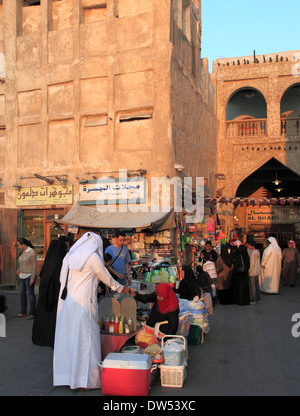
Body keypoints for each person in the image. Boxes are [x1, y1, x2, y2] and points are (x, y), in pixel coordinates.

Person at [53, 232, 129, 390]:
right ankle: (87, 380)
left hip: (67, 303)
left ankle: (68, 376)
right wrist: (121, 288)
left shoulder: (69, 256)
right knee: (87, 340)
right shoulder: (92, 257)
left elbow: (62, 280)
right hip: (84, 303)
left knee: (70, 339)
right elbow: (105, 277)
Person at [32, 237, 68, 348]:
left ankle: (41, 338)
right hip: (54, 297)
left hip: (44, 294)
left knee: (43, 318)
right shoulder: (59, 262)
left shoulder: (48, 261)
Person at [15, 238, 37, 319]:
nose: (18, 246)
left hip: (29, 275)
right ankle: (23, 311)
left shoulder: (31, 252)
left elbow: (34, 265)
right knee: (22, 294)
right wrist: (19, 269)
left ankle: (32, 312)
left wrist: (33, 277)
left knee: (30, 294)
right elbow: (22, 262)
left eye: (19, 245)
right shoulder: (23, 251)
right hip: (22, 275)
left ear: (23, 244)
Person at [231, 240, 250, 306]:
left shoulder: (239, 256)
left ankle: (241, 301)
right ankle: (246, 301)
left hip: (240, 275)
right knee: (245, 288)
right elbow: (248, 265)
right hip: (245, 274)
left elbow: (236, 265)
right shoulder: (246, 256)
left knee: (240, 288)